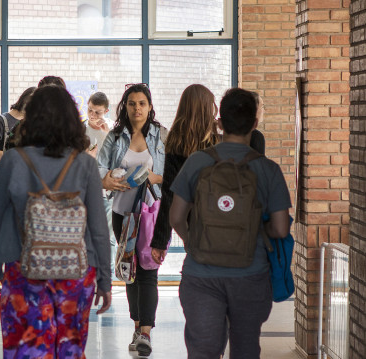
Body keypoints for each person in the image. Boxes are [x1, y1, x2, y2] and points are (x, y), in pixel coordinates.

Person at [0, 85, 112, 358]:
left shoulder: (14, 161)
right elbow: (99, 229)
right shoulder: (85, 164)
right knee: (70, 350)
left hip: (23, 270)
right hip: (78, 272)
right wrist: (104, 280)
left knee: (27, 349)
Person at [169, 88, 291, 358]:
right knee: (246, 348)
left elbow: (176, 217)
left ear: (220, 123)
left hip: (202, 275)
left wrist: (195, 242)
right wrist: (260, 232)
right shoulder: (267, 169)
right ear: (254, 124)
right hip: (250, 273)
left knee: (203, 349)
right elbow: (281, 228)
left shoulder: (197, 161)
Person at [96, 83, 165, 357]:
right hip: (121, 213)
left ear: (149, 107)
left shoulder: (161, 135)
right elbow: (100, 168)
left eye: (142, 103)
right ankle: (137, 328)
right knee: (130, 271)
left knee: (148, 270)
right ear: (125, 107)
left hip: (151, 214)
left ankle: (146, 333)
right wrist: (107, 180)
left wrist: (153, 177)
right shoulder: (115, 136)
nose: (137, 108)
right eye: (132, 103)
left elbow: (172, 173)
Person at [150, 84, 220, 266]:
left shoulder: (176, 141)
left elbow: (169, 195)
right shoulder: (218, 142)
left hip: (191, 226)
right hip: (221, 220)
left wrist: (160, 242)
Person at [0, 86, 35, 298]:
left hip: (25, 188)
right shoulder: (0, 121)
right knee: (1, 229)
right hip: (4, 182)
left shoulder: (35, 127)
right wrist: (14, 158)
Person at [83, 92, 117, 276]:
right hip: (85, 190)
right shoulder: (79, 130)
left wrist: (107, 135)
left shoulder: (112, 130)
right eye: (90, 110)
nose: (93, 116)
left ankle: (106, 277)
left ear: (106, 111)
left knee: (108, 237)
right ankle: (88, 276)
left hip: (107, 191)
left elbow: (120, 159)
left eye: (97, 112)